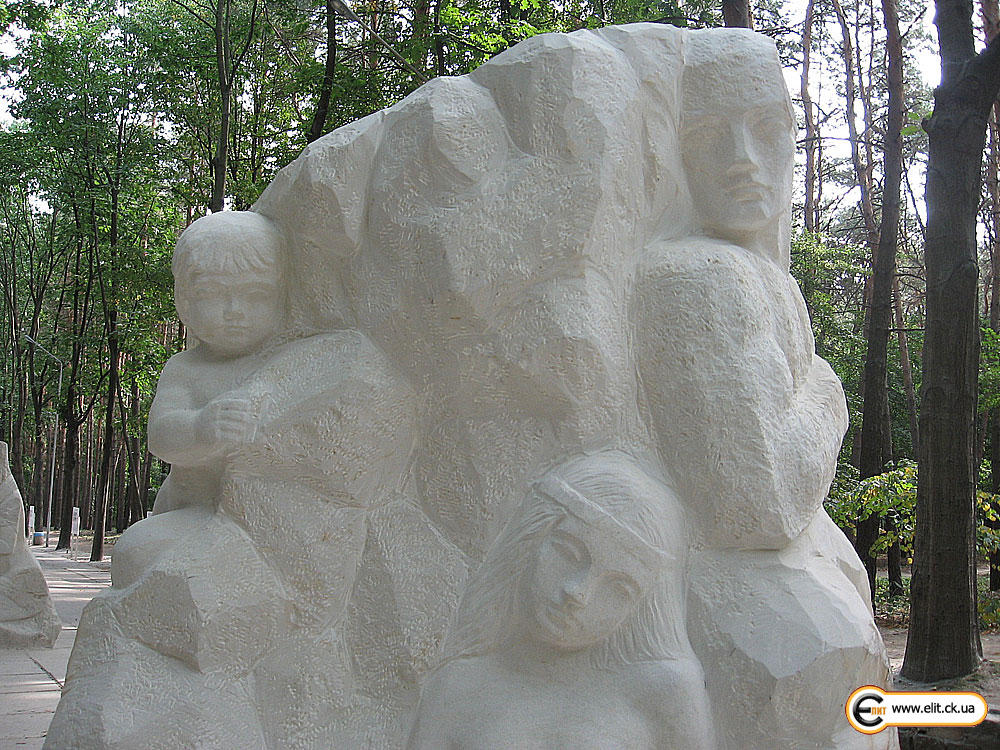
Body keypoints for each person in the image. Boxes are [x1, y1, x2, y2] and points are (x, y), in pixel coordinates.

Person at [407, 450, 715, 749]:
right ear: (529, 540)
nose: (578, 592)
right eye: (568, 554)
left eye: (618, 588)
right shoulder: (457, 688)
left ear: (640, 608)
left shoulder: (664, 692)